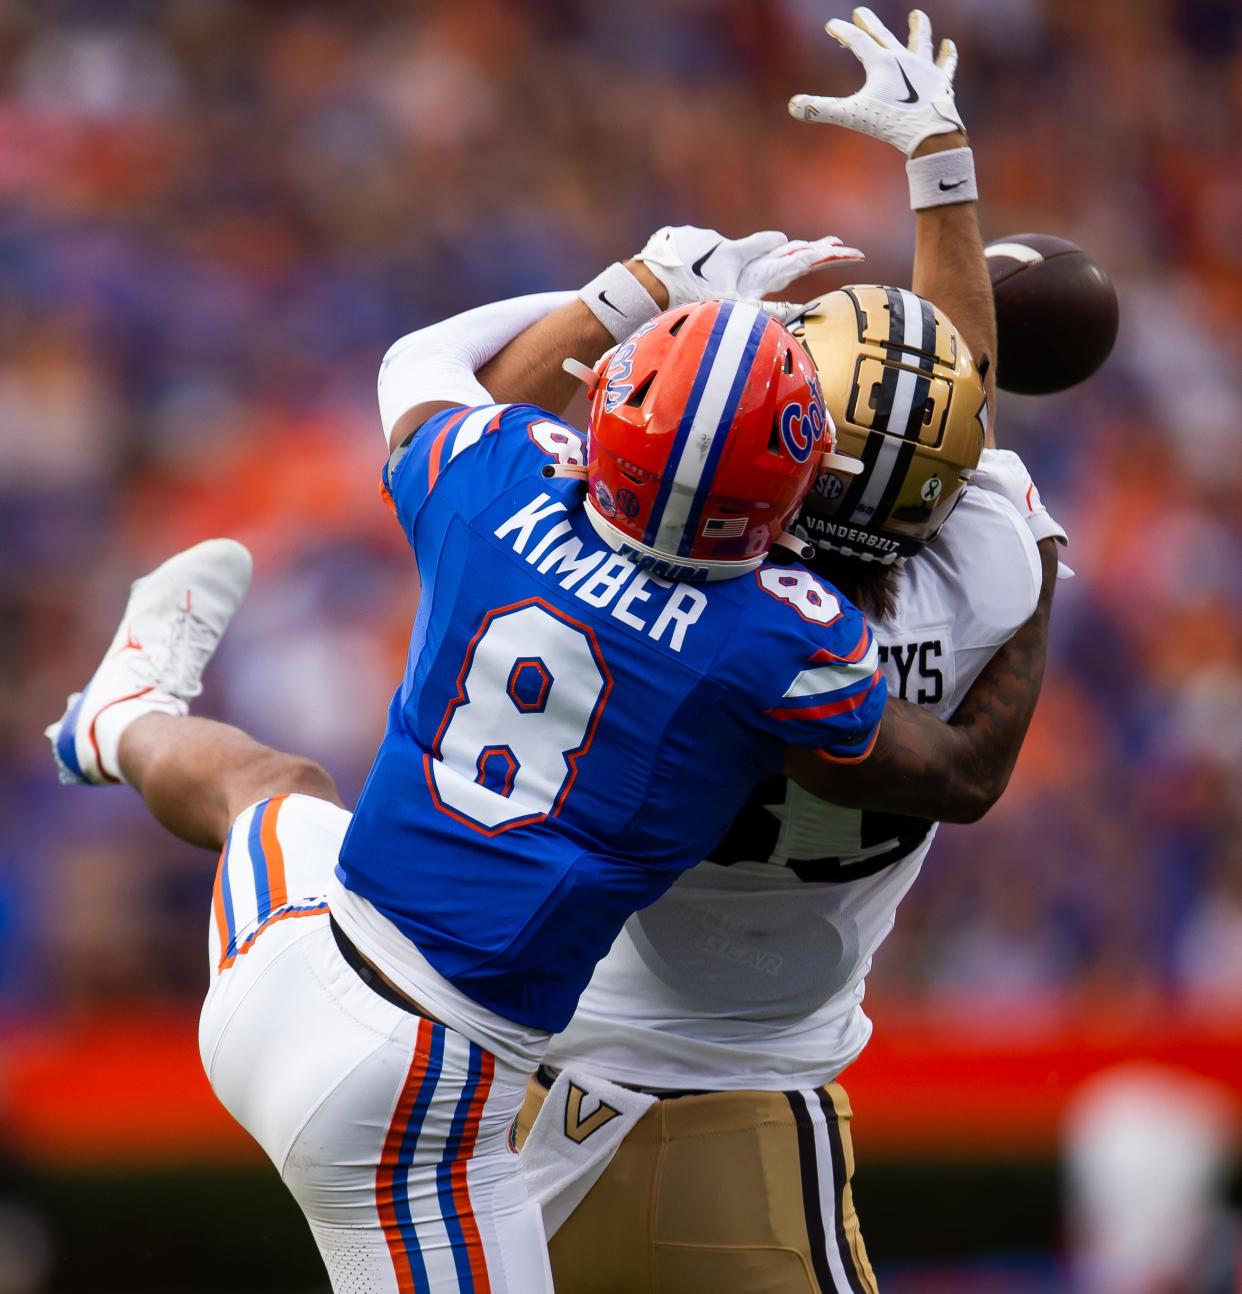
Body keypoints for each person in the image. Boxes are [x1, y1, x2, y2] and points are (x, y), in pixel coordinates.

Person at [514, 10, 1069, 1294]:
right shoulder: (986, 565)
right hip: (751, 1092)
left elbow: (479, 412)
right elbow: (963, 386)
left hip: (526, 1053)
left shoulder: (650, 580)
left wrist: (643, 300)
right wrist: (941, 161)